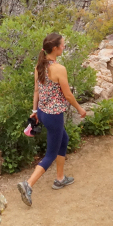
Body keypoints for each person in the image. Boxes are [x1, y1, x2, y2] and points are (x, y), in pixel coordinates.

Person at [18, 32, 87, 206]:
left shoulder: (39, 66)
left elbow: (36, 91)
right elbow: (68, 95)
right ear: (55, 48)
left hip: (42, 112)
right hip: (54, 116)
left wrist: (34, 111)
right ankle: (28, 184)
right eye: (62, 45)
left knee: (64, 139)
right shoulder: (59, 69)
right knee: (50, 154)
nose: (64, 47)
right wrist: (80, 109)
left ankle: (60, 179)